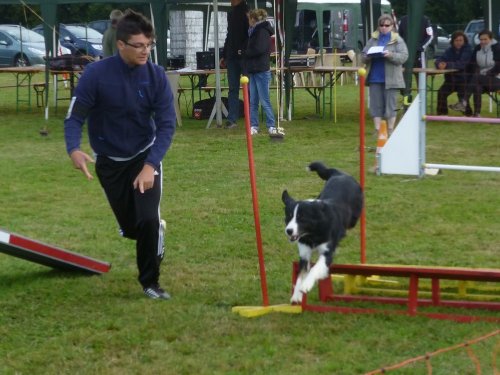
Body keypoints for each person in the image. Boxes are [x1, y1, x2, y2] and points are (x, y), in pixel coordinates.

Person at [64, 10, 176, 300]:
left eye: (149, 45)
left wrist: (151, 165)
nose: (146, 51)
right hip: (109, 161)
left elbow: (166, 125)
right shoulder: (96, 75)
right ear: (121, 44)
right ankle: (152, 235)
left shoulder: (156, 76)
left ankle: (150, 283)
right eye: (139, 45)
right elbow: (75, 116)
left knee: (148, 218)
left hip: (143, 156)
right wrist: (73, 148)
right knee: (131, 227)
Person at [361, 14, 408, 136]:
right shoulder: (373, 39)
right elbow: (363, 55)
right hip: (375, 77)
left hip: (392, 79)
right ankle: (377, 130)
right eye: (381, 25)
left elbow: (404, 57)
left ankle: (391, 129)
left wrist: (391, 55)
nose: (384, 28)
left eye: (387, 25)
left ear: (392, 26)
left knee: (390, 106)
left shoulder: (398, 40)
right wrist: (367, 56)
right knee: (375, 106)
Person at [244, 9, 279, 137]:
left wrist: (245, 53)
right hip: (253, 70)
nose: (248, 22)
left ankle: (271, 125)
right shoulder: (254, 32)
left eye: (249, 19)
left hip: (261, 70)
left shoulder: (262, 32)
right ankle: (254, 125)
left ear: (253, 19)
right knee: (253, 101)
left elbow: (260, 49)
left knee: (264, 100)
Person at [450, 29, 500, 117]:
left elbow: (498, 67)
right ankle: (477, 114)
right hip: (481, 80)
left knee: (477, 78)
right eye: (481, 39)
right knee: (477, 86)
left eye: (485, 39)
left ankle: (463, 102)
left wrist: (487, 74)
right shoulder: (477, 48)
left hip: (496, 79)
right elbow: (472, 64)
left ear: (491, 39)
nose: (483, 41)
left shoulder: (497, 48)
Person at [220, 0, 249, 129]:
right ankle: (232, 119)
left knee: (248, 87)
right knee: (233, 88)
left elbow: (249, 35)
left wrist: (243, 50)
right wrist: (224, 54)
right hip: (231, 56)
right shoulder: (231, 14)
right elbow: (229, 35)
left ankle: (251, 118)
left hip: (243, 57)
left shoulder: (247, 12)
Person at [435, 31, 473, 115]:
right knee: (441, 92)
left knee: (462, 95)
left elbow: (461, 64)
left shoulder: (468, 49)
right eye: (456, 40)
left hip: (464, 79)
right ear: (452, 41)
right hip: (451, 80)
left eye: (460, 40)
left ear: (464, 41)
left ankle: (468, 114)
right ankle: (442, 114)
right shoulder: (449, 50)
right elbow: (439, 59)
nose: (458, 42)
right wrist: (439, 64)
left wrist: (446, 65)